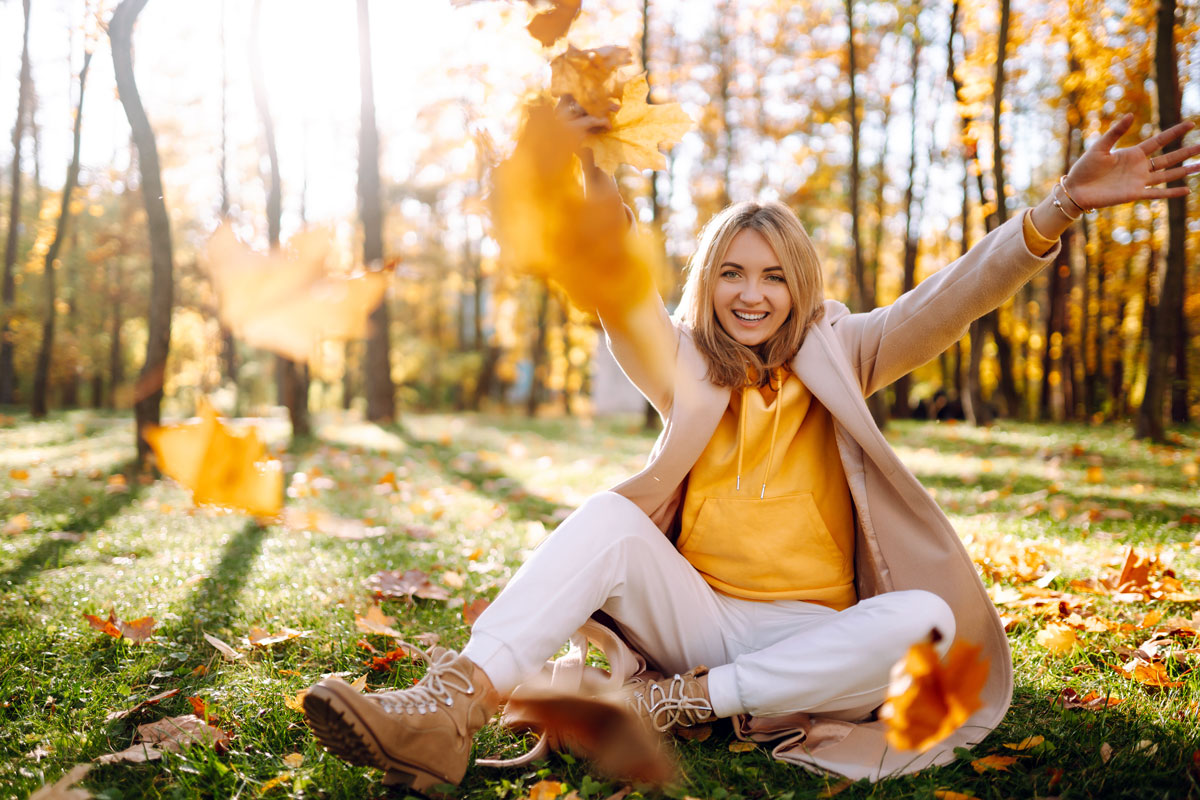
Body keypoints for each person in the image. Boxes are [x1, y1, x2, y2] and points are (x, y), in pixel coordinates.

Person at [302, 113, 1199, 791]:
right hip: (698, 612)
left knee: (922, 622)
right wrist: (595, 179)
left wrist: (1060, 207)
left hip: (815, 635)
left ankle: (676, 705)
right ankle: (450, 707)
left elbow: (952, 300)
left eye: (773, 275)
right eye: (732, 272)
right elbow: (621, 299)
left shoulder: (849, 351)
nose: (752, 293)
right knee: (610, 518)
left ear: (799, 285)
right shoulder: (687, 364)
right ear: (709, 283)